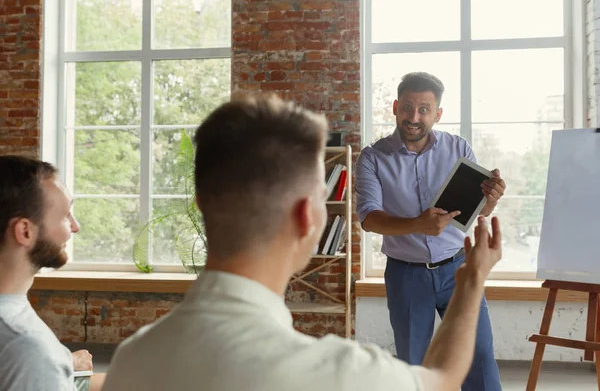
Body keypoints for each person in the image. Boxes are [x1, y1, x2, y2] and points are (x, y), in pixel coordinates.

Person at [104, 94, 504, 391]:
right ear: (308, 217)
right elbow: (440, 379)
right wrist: (474, 280)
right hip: (412, 272)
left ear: (201, 205)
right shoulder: (346, 374)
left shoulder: (131, 359)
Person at [355, 72, 507, 390]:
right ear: (395, 107)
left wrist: (489, 202)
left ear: (438, 114)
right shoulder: (372, 157)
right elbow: (368, 218)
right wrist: (416, 225)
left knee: (479, 358)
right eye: (407, 107)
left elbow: (475, 211)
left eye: (424, 109)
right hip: (406, 276)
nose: (414, 117)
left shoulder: (458, 148)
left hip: (458, 270)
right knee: (414, 366)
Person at [0, 155, 105, 391]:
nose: (75, 227)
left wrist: (64, 362)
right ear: (25, 231)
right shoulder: (27, 347)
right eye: (65, 215)